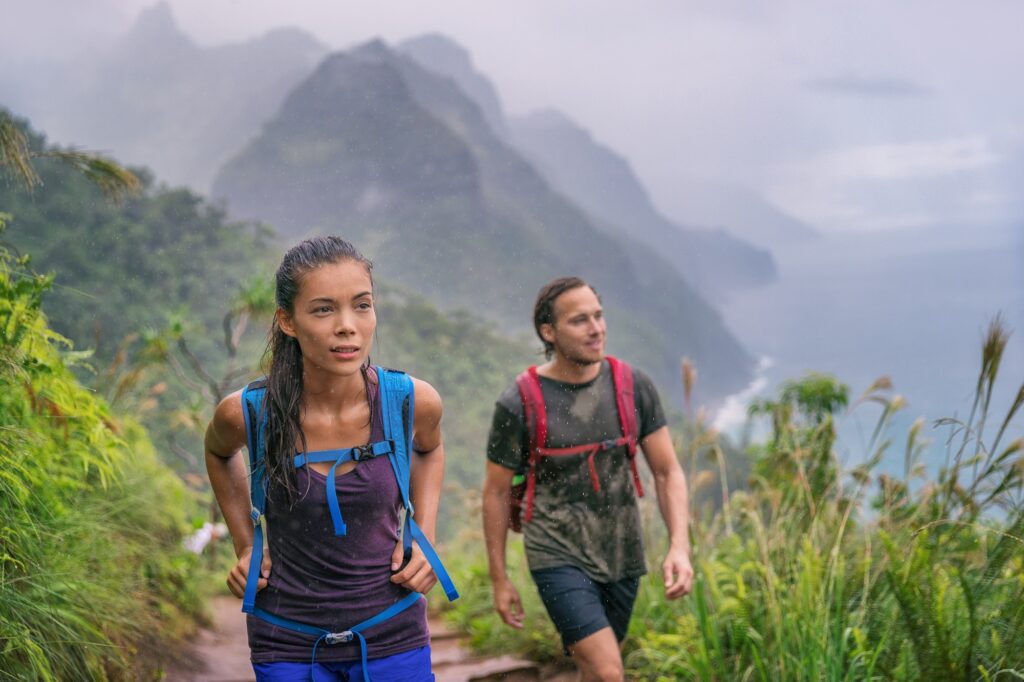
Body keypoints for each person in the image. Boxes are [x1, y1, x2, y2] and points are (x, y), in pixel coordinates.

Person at [205, 236, 451, 682]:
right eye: (323, 309)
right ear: (288, 321)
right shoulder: (249, 413)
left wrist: (422, 533)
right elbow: (218, 452)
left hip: (391, 635)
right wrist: (245, 543)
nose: (347, 326)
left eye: (362, 305)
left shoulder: (408, 402)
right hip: (285, 640)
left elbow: (429, 448)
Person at [482, 276, 693, 682]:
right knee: (608, 671)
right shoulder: (519, 401)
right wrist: (499, 578)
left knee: (594, 671)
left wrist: (679, 547)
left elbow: (667, 472)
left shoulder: (633, 387)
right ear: (549, 331)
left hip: (622, 552)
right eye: (580, 321)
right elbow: (494, 493)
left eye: (599, 316)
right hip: (556, 552)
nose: (596, 329)